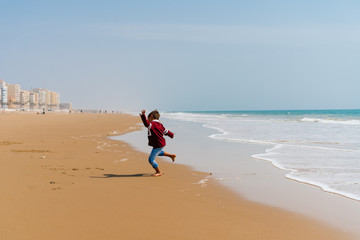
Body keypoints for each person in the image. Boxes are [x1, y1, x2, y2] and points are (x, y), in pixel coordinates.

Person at [140, 109, 176, 176]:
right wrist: (172, 135)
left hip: (158, 144)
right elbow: (166, 131)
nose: (148, 120)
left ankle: (159, 172)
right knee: (157, 153)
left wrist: (143, 116)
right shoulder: (160, 125)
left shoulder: (151, 124)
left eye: (148, 118)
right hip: (161, 143)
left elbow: (146, 123)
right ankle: (171, 155)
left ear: (151, 116)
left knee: (151, 159)